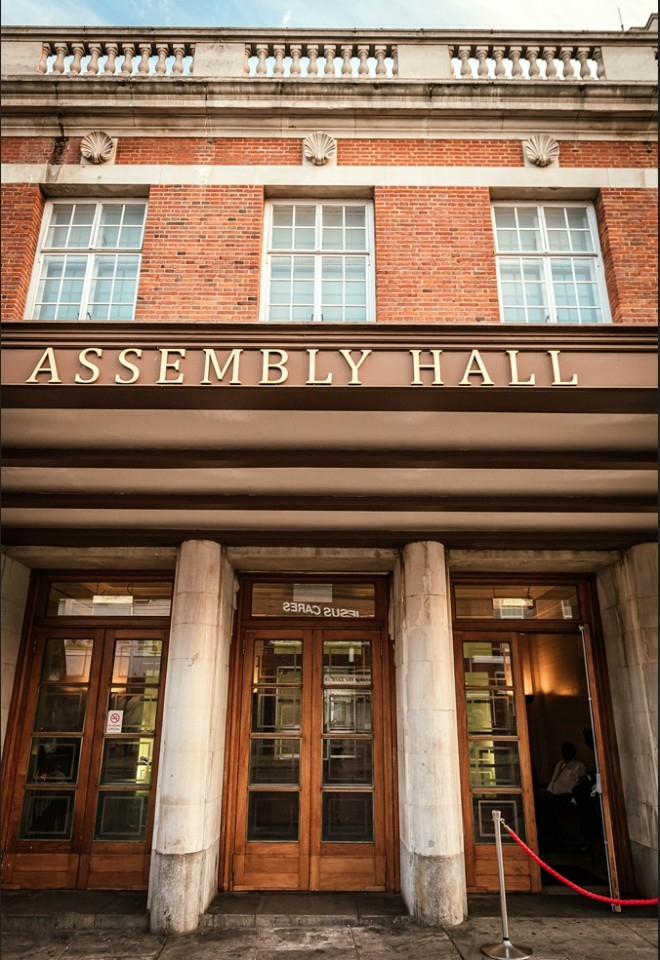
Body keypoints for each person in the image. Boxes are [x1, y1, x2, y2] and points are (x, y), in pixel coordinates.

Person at [537, 741, 586, 847]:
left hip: (566, 796)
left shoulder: (578, 766)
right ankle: (544, 838)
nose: (565, 753)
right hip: (554, 795)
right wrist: (548, 791)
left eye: (568, 751)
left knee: (552, 811)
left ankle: (554, 839)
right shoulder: (559, 764)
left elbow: (580, 786)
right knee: (540, 807)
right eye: (564, 751)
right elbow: (553, 779)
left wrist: (574, 802)